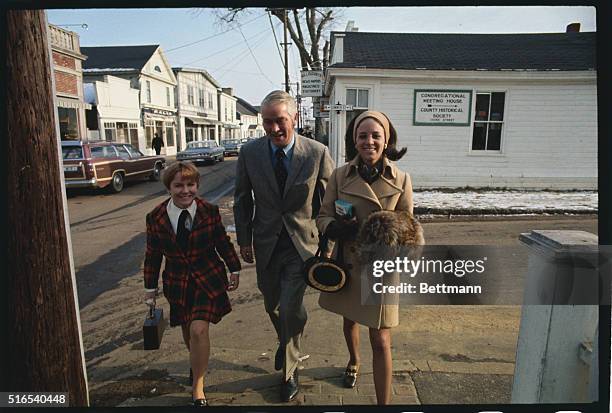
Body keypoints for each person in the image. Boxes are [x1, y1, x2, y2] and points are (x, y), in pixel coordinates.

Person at [233, 90, 334, 402]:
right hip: (265, 244)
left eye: (280, 121)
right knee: (273, 306)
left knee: (291, 306)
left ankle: (290, 372)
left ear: (294, 119)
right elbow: (240, 200)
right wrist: (244, 240)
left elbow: (329, 203)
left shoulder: (316, 153)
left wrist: (328, 245)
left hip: (302, 246)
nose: (274, 128)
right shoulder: (249, 153)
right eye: (267, 122)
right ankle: (286, 340)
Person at [316, 111, 413, 405]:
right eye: (362, 135)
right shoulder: (339, 175)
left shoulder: (402, 179)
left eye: (375, 136)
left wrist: (387, 235)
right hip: (349, 263)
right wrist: (335, 227)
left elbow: (409, 226)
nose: (368, 141)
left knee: (381, 338)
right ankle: (354, 362)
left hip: (381, 269)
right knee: (349, 322)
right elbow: (322, 215)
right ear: (354, 140)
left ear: (386, 141)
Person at [143, 161, 241, 407]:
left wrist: (235, 268)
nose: (185, 190)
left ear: (197, 185)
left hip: (208, 278)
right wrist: (149, 288)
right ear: (169, 188)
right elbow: (153, 254)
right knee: (188, 330)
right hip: (177, 282)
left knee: (199, 329)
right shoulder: (156, 217)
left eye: (190, 184)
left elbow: (222, 242)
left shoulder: (209, 211)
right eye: (178, 185)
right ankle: (195, 361)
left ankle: (198, 387)